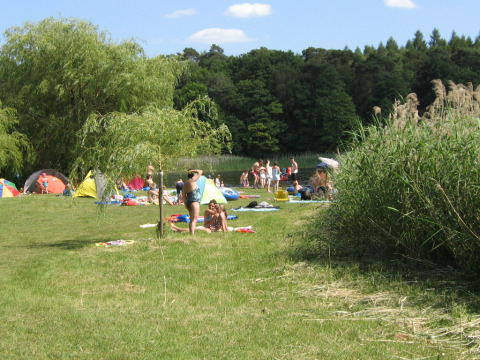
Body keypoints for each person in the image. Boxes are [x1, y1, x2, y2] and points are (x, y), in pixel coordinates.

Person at [183, 169, 203, 235]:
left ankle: (191, 233)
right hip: (195, 202)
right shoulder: (192, 180)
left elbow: (183, 197)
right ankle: (192, 235)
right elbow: (200, 171)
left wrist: (186, 206)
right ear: (193, 175)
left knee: (192, 220)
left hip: (189, 202)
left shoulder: (185, 184)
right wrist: (191, 170)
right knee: (194, 220)